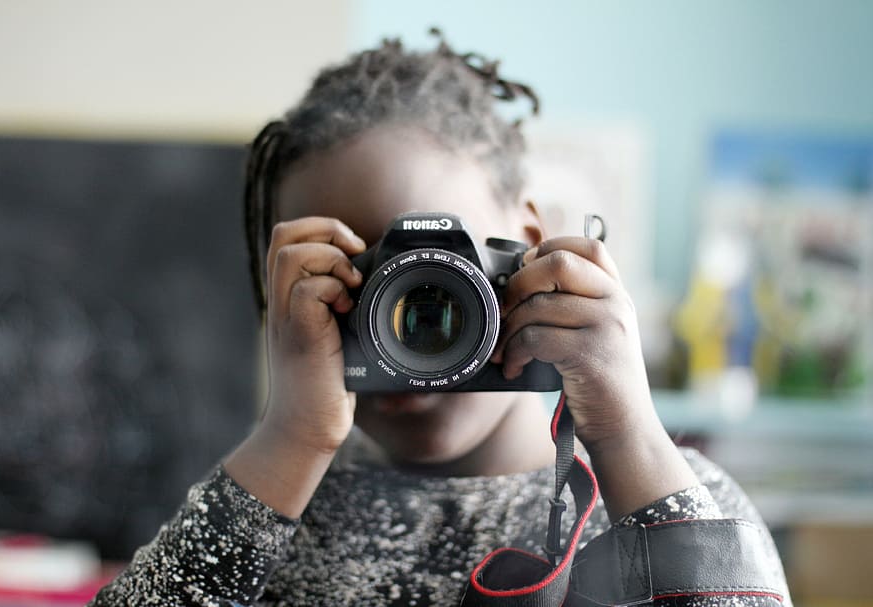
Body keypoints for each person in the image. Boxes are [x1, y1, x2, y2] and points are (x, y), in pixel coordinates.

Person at [89, 33, 790, 606]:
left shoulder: (664, 494)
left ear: (529, 246)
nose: (400, 327)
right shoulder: (270, 498)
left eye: (440, 277)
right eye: (355, 279)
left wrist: (625, 433)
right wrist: (291, 437)